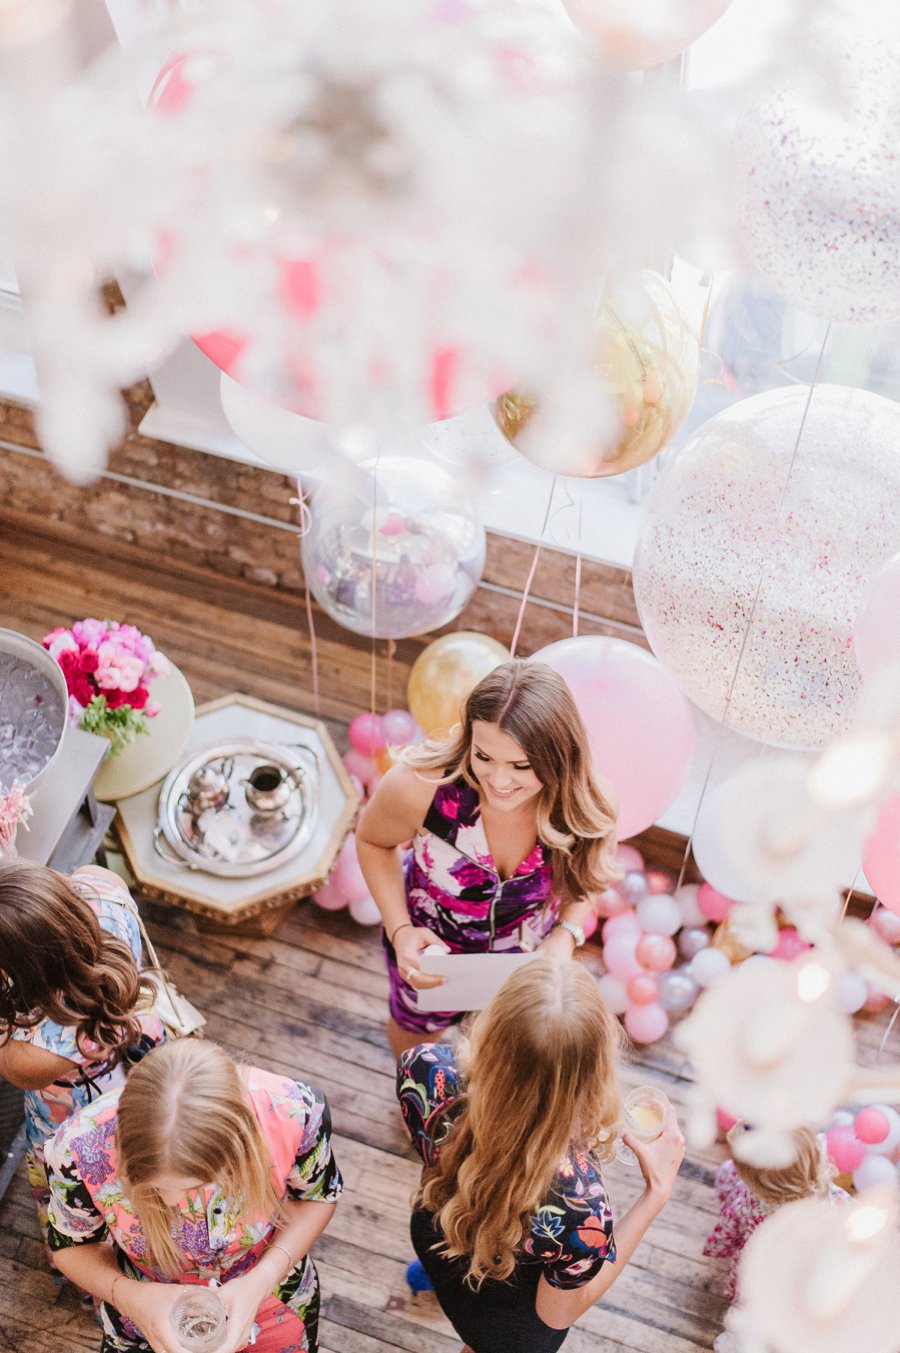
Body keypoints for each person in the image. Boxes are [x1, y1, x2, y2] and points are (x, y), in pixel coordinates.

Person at [396, 957, 685, 1353]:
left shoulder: (425, 1069)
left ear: (493, 1021)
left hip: (438, 1231)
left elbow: (435, 1158)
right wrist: (657, 1193)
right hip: (502, 1315)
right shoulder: (582, 1206)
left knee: (449, 1270)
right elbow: (559, 1314)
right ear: (597, 1069)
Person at [356, 659, 619, 1055]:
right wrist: (401, 931)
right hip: (430, 953)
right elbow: (373, 842)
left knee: (507, 1053)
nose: (498, 781)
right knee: (413, 1038)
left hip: (528, 965)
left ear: (559, 758)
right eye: (484, 757)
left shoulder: (587, 806)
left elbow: (589, 879)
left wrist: (564, 939)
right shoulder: (419, 787)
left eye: (522, 766)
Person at [44, 1038, 342, 1353]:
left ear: (239, 1146)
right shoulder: (79, 1149)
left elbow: (317, 1197)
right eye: (154, 1187)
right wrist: (131, 1297)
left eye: (196, 1186)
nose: (173, 1202)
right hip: (147, 1319)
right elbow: (70, 1247)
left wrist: (261, 1280)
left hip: (275, 1301)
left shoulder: (294, 1112)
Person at [0, 858, 165, 1248]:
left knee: (92, 1182)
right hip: (140, 1055)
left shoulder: (33, 1055)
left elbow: (12, 1068)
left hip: (79, 1111)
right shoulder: (105, 894)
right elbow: (69, 879)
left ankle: (94, 1251)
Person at [703, 1123, 849, 1349]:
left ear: (756, 1182)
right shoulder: (816, 1161)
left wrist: (720, 1243)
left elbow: (731, 1227)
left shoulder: (751, 1204)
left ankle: (739, 1341)